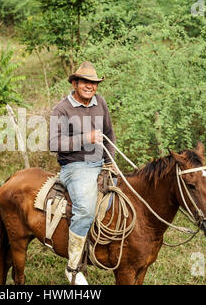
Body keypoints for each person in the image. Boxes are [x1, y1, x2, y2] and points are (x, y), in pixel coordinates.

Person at [49, 61, 116, 285]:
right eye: (85, 82)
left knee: (123, 198)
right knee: (85, 209)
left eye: (93, 83)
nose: (90, 86)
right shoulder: (62, 109)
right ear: (75, 83)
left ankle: (106, 246)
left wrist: (111, 162)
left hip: (100, 163)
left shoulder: (101, 103)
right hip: (75, 167)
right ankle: (73, 266)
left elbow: (109, 135)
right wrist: (84, 139)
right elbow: (53, 143)